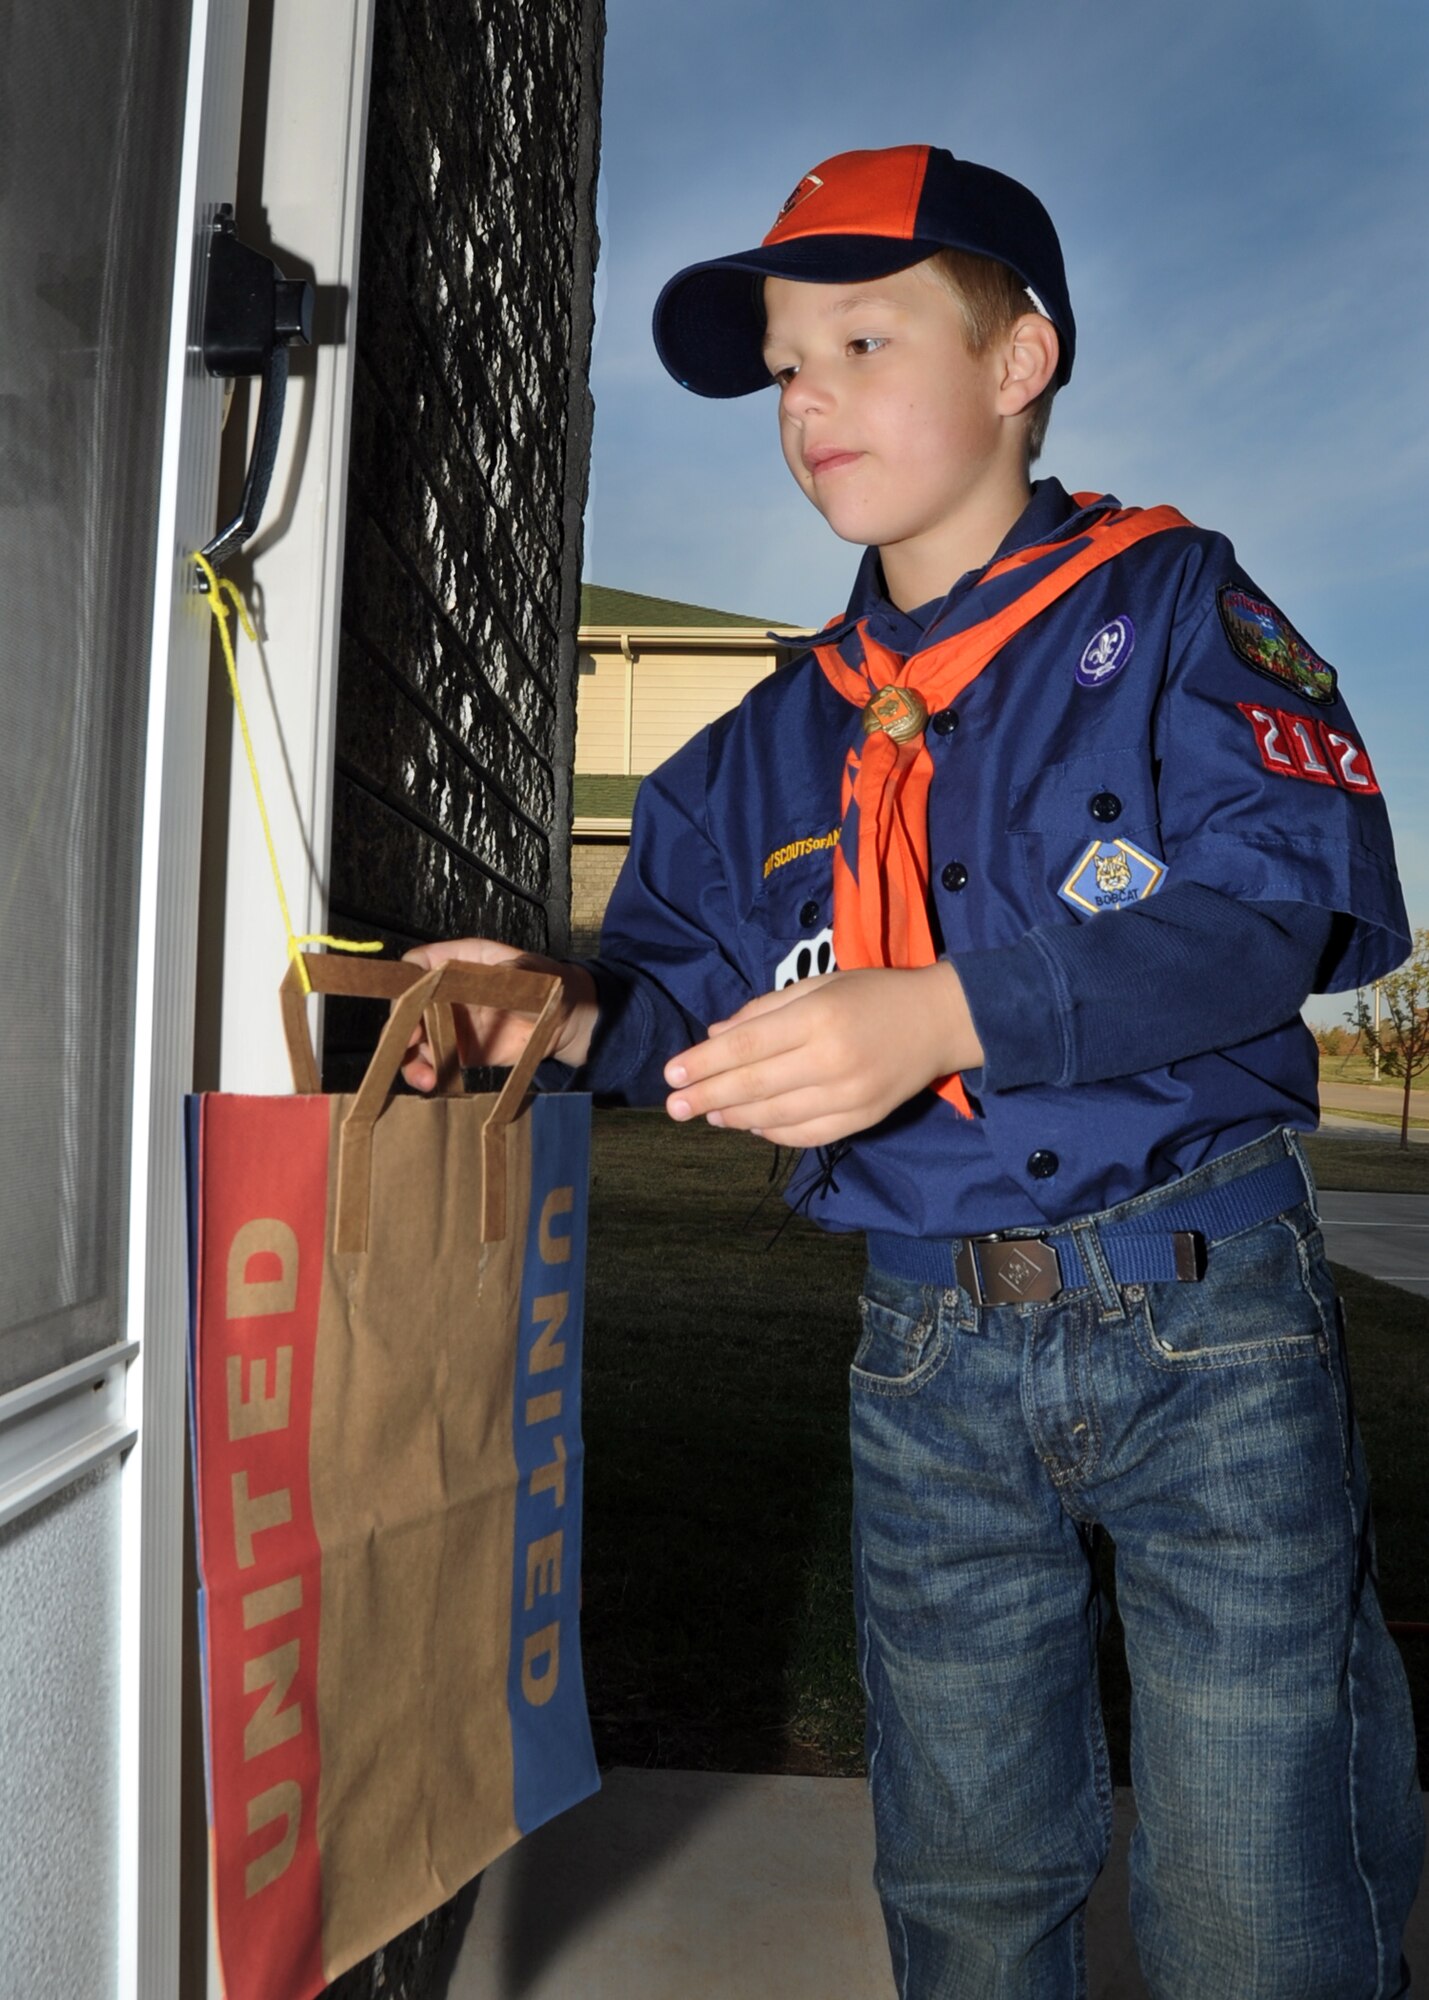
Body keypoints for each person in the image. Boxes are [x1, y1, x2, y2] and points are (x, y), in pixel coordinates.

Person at [403, 145, 1423, 1998]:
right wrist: (549, 1016)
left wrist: (950, 1011)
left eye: (866, 341)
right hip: (924, 1350)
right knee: (962, 1870)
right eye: (788, 364)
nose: (810, 402)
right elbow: (672, 1007)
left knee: (1254, 1880)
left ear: (1020, 358)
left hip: (1206, 1315)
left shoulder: (1177, 608)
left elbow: (1277, 908)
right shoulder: (757, 753)